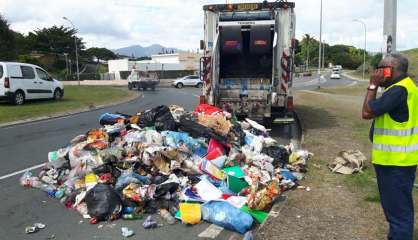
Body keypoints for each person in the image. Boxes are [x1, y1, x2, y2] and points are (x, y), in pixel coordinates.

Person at [362, 53, 417, 240]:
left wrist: (372, 85)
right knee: (398, 211)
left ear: (391, 70)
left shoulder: (398, 90)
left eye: (381, 68)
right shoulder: (408, 88)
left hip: (395, 162)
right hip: (401, 161)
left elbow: (367, 112)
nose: (377, 72)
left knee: (399, 215)